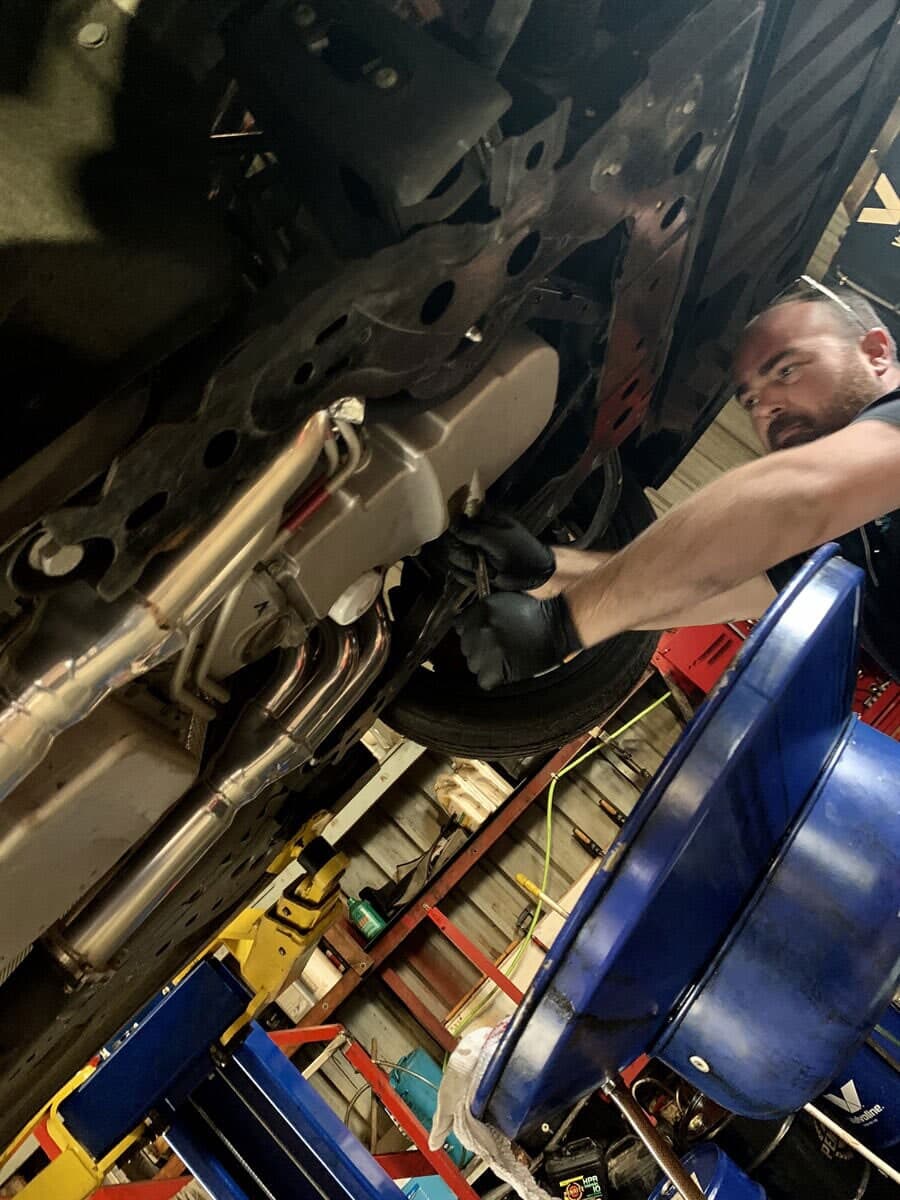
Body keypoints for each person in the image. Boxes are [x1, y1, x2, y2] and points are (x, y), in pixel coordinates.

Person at [454, 278, 900, 689]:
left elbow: (799, 495)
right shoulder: (848, 534)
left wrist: (562, 624)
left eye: (785, 371)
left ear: (876, 352)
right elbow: (718, 589)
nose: (766, 408)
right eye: (750, 400)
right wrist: (550, 572)